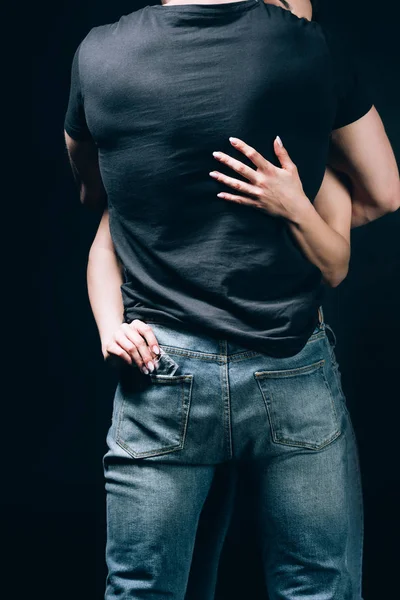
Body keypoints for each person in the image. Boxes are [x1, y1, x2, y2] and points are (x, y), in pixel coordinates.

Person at [63, 1, 400, 598]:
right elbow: (382, 195)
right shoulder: (307, 50)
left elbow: (98, 198)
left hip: (160, 374)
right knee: (317, 589)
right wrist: (306, 204)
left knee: (145, 590)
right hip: (289, 364)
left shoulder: (99, 56)